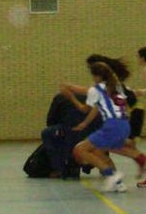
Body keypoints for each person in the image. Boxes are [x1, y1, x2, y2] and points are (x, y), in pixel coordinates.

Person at [58, 62, 138, 193]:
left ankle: (111, 175)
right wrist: (85, 123)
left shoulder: (96, 90)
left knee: (80, 150)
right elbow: (102, 106)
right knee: (97, 151)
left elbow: (84, 108)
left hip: (113, 125)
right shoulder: (117, 87)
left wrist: (71, 97)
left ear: (97, 76)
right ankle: (118, 184)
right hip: (124, 125)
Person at [41, 91, 98, 178]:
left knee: (47, 133)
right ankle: (92, 165)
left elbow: (50, 119)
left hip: (68, 128)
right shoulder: (89, 97)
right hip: (90, 128)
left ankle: (59, 168)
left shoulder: (60, 98)